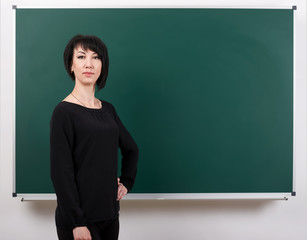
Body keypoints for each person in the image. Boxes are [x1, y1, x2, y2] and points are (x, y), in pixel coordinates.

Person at [50, 35, 138, 240]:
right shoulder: (63, 112)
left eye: (96, 58)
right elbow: (60, 173)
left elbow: (131, 149)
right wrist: (77, 223)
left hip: (109, 215)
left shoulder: (108, 110)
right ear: (71, 65)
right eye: (81, 57)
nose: (88, 64)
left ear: (102, 66)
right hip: (79, 221)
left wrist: (126, 181)